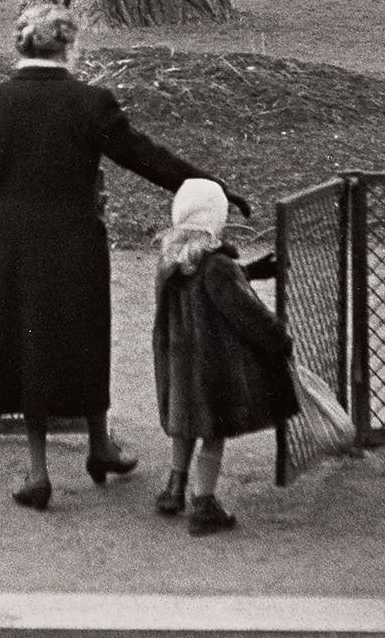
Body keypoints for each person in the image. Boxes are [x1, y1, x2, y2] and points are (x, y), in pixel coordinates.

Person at [0, 3, 251, 510]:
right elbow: (145, 156)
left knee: (27, 345)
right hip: (76, 241)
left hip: (13, 245)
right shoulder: (90, 102)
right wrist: (212, 186)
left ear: (19, 45)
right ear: (70, 47)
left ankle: (37, 472)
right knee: (86, 336)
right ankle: (100, 445)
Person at [151, 177, 299, 535]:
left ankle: (175, 488)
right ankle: (204, 503)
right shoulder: (218, 265)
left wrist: (249, 271)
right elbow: (243, 311)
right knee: (212, 435)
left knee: (184, 429)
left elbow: (200, 284)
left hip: (179, 365)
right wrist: (277, 337)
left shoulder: (171, 258)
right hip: (211, 368)